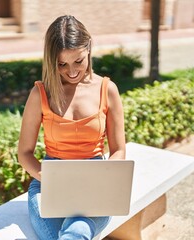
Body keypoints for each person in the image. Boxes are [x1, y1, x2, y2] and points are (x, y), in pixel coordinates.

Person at [18, 15, 126, 240]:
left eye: (78, 61)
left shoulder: (108, 89)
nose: (72, 71)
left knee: (75, 232)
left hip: (95, 182)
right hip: (48, 182)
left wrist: (103, 179)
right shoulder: (40, 93)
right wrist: (52, 180)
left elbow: (119, 150)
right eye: (62, 64)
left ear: (88, 49)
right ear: (51, 60)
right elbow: (24, 153)